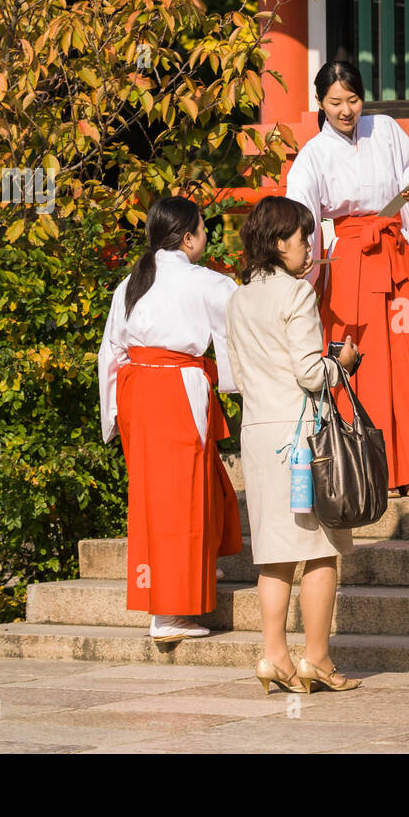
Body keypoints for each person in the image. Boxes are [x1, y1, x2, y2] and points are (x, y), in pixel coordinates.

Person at [285, 60, 409, 497]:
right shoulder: (312, 156)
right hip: (350, 263)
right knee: (363, 364)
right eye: (335, 102)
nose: (346, 111)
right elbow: (303, 218)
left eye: (353, 100)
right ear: (319, 102)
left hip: (396, 254)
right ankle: (367, 463)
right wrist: (306, 277)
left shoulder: (387, 129)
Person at [226, 196, 363, 695]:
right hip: (302, 440)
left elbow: (238, 374)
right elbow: (309, 371)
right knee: (321, 551)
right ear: (280, 242)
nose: (309, 247)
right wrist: (342, 364)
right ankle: (318, 659)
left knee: (275, 554)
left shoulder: (237, 298)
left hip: (259, 432)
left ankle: (275, 657)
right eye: (303, 237)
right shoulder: (298, 295)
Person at [98, 195, 241, 643]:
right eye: (202, 227)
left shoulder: (132, 281)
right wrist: (239, 386)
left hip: (137, 390)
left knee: (158, 496)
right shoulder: (208, 283)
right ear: (187, 237)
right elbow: (234, 334)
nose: (206, 235)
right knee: (181, 498)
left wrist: (114, 412)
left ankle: (189, 568)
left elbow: (110, 351)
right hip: (177, 387)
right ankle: (168, 611)